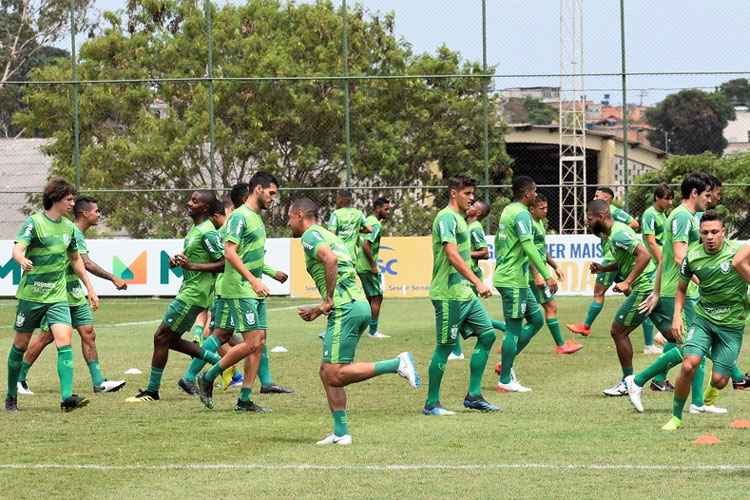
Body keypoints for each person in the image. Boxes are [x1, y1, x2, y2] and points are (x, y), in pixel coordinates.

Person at [288, 197, 420, 445]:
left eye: (289, 218)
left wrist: (326, 300)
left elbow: (331, 260)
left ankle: (396, 364)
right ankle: (340, 432)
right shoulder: (330, 235)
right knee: (326, 371)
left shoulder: (310, 237)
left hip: (345, 307)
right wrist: (320, 309)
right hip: (357, 304)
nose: (288, 224)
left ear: (299, 215)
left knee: (334, 374)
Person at [623, 174, 720, 413]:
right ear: (695, 194)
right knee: (690, 347)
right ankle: (636, 381)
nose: (709, 200)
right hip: (678, 291)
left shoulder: (682, 216)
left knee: (697, 345)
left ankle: (698, 404)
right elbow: (678, 257)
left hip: (682, 290)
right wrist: (705, 281)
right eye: (706, 195)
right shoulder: (682, 217)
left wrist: (656, 291)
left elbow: (665, 258)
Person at [16, 197, 127, 396]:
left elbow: (79, 264)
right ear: (85, 213)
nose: (99, 214)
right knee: (46, 336)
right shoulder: (71, 230)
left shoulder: (75, 232)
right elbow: (86, 263)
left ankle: (99, 382)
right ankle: (19, 378)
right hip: (57, 293)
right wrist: (113, 278)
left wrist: (89, 290)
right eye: (97, 211)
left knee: (88, 333)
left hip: (74, 292)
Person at [6, 177, 99, 413]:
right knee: (20, 345)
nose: (72, 203)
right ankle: (11, 395)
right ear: (55, 199)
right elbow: (17, 247)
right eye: (69, 199)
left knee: (64, 342)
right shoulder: (35, 223)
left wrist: (89, 287)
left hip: (58, 297)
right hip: (32, 296)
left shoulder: (69, 228)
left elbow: (76, 259)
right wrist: (21, 258)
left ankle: (66, 398)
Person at [125, 190, 224, 403]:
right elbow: (196, 261)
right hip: (190, 291)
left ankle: (152, 391)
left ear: (205, 208)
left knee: (161, 337)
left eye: (195, 201)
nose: (189, 203)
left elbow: (224, 263)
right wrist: (179, 262)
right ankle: (220, 361)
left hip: (193, 295)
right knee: (171, 340)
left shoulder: (208, 232)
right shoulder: (196, 230)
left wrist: (192, 265)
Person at [196, 172, 281, 412]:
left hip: (254, 290)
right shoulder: (239, 217)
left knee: (259, 342)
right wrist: (253, 280)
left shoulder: (255, 218)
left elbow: (248, 254)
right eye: (271, 193)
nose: (273, 199)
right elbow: (230, 253)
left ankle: (244, 399)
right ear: (258, 189)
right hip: (240, 289)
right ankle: (208, 376)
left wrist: (269, 274)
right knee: (251, 341)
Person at [660, 211, 749, 430]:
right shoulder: (692, 256)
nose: (709, 237)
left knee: (720, 380)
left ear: (723, 232)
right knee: (690, 364)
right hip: (704, 320)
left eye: (714, 232)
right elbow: (681, 289)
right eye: (704, 233)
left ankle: (712, 391)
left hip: (731, 325)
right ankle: (676, 416)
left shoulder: (737, 252)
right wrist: (676, 317)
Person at [583, 200, 674, 398]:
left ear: (602, 215)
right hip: (651, 287)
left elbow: (644, 255)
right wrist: (603, 267)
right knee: (675, 337)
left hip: (644, 287)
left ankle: (628, 382)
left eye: (590, 219)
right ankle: (731, 371)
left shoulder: (618, 232)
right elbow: (625, 259)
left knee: (618, 331)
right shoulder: (612, 235)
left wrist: (628, 282)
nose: (588, 222)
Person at [494, 176, 558, 393]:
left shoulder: (508, 210)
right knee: (513, 329)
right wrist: (546, 274)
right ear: (527, 194)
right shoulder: (521, 213)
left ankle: (506, 362)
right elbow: (528, 246)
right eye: (534, 191)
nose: (536, 194)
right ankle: (505, 378)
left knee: (537, 318)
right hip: (512, 279)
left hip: (516, 278)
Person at [566, 187, 641, 337]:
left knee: (599, 292)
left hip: (611, 257)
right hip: (615, 257)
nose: (594, 197)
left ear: (607, 199)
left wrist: (617, 234)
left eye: (597, 195)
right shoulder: (599, 215)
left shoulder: (613, 211)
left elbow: (634, 224)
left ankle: (586, 326)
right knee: (634, 294)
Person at [529, 194, 582, 355]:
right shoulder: (529, 224)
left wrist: (555, 266)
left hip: (533, 274)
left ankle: (507, 343)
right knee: (551, 306)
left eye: (546, 208)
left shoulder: (538, 223)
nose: (545, 211)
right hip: (531, 275)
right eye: (541, 208)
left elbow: (541, 251)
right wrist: (537, 274)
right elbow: (528, 252)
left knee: (526, 316)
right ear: (532, 209)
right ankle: (561, 345)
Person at [449, 200, 491, 361]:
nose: (471, 206)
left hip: (471, 277)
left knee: (459, 313)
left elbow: (485, 252)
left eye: (474, 206)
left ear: (478, 213)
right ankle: (456, 350)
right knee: (461, 314)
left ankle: (456, 351)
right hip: (465, 275)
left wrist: (464, 254)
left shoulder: (475, 228)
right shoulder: (467, 226)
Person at [640, 183, 674, 358]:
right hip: (655, 265)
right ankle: (649, 344)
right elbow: (651, 241)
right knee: (651, 302)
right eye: (666, 198)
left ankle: (662, 336)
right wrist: (662, 261)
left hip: (662, 263)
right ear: (657, 198)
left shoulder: (663, 214)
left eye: (671, 198)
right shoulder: (649, 214)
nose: (670, 202)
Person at [355, 196, 391, 339]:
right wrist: (373, 265)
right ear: (377, 208)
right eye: (386, 209)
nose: (388, 212)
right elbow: (366, 245)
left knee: (371, 298)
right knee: (377, 297)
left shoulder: (367, 221)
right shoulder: (375, 224)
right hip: (367, 267)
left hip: (360, 265)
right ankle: (373, 331)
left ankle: (366, 328)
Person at [327, 189, 371, 262]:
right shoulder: (359, 213)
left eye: (337, 198)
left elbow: (331, 235)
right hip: (352, 256)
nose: (336, 201)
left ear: (341, 199)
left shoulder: (336, 214)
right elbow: (370, 229)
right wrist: (358, 230)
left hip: (339, 256)